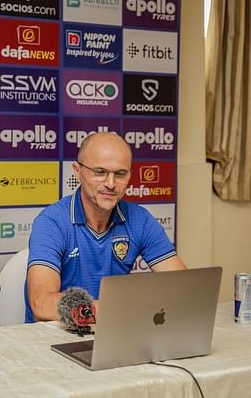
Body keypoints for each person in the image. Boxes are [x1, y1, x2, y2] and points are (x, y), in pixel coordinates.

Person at [26, 133, 186, 322]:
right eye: (100, 172)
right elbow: (42, 304)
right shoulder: (52, 222)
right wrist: (116, 310)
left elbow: (183, 287)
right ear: (78, 171)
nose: (110, 184)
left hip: (116, 334)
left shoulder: (139, 219)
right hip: (56, 337)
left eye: (120, 174)